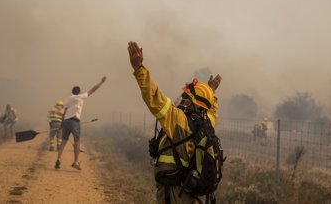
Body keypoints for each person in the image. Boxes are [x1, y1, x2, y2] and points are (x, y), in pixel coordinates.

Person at [128, 41, 222, 204]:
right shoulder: (206, 123)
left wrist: (139, 69)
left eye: (186, 96)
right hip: (188, 192)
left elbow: (154, 98)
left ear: (190, 102)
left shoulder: (177, 119)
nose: (182, 98)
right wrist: (211, 93)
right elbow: (211, 110)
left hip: (173, 192)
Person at [55, 76, 107, 170]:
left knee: (63, 142)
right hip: (74, 122)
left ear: (72, 92)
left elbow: (64, 112)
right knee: (77, 141)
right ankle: (75, 162)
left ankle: (58, 160)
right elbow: (92, 90)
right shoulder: (81, 97)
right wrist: (101, 82)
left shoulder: (68, 99)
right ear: (79, 92)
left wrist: (61, 124)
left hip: (66, 121)